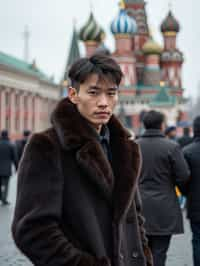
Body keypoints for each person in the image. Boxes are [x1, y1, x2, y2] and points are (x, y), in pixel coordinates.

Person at [12, 54, 152, 266]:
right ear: (73, 94)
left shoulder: (126, 148)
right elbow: (32, 230)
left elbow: (134, 218)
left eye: (111, 93)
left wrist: (144, 257)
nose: (104, 103)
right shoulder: (48, 146)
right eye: (93, 93)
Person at [136, 110, 190, 266]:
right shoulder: (172, 147)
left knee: (141, 251)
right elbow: (183, 175)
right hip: (164, 207)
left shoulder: (134, 146)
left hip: (138, 206)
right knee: (160, 252)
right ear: (161, 125)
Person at [183, 116, 200, 266]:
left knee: (197, 239)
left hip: (195, 203)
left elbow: (182, 179)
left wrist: (186, 193)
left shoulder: (187, 151)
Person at [0, 130, 18, 205]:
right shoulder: (11, 145)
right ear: (7, 135)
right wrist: (17, 168)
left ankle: (1, 197)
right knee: (6, 185)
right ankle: (4, 199)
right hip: (6, 169)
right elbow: (15, 158)